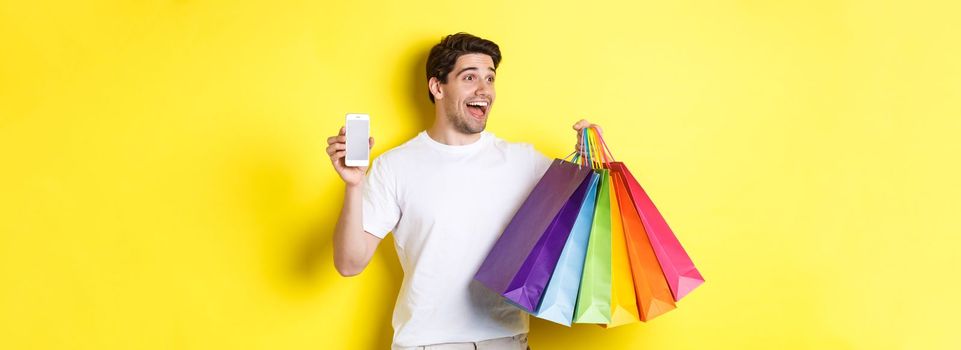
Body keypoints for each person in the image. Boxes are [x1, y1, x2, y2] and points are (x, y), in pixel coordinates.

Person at [325, 32, 601, 350]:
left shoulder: (525, 161)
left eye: (490, 78)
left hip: (506, 341)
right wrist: (354, 185)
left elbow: (583, 226)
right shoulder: (395, 166)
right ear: (437, 87)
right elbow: (349, 263)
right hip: (426, 344)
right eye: (469, 77)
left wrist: (589, 161)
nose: (484, 90)